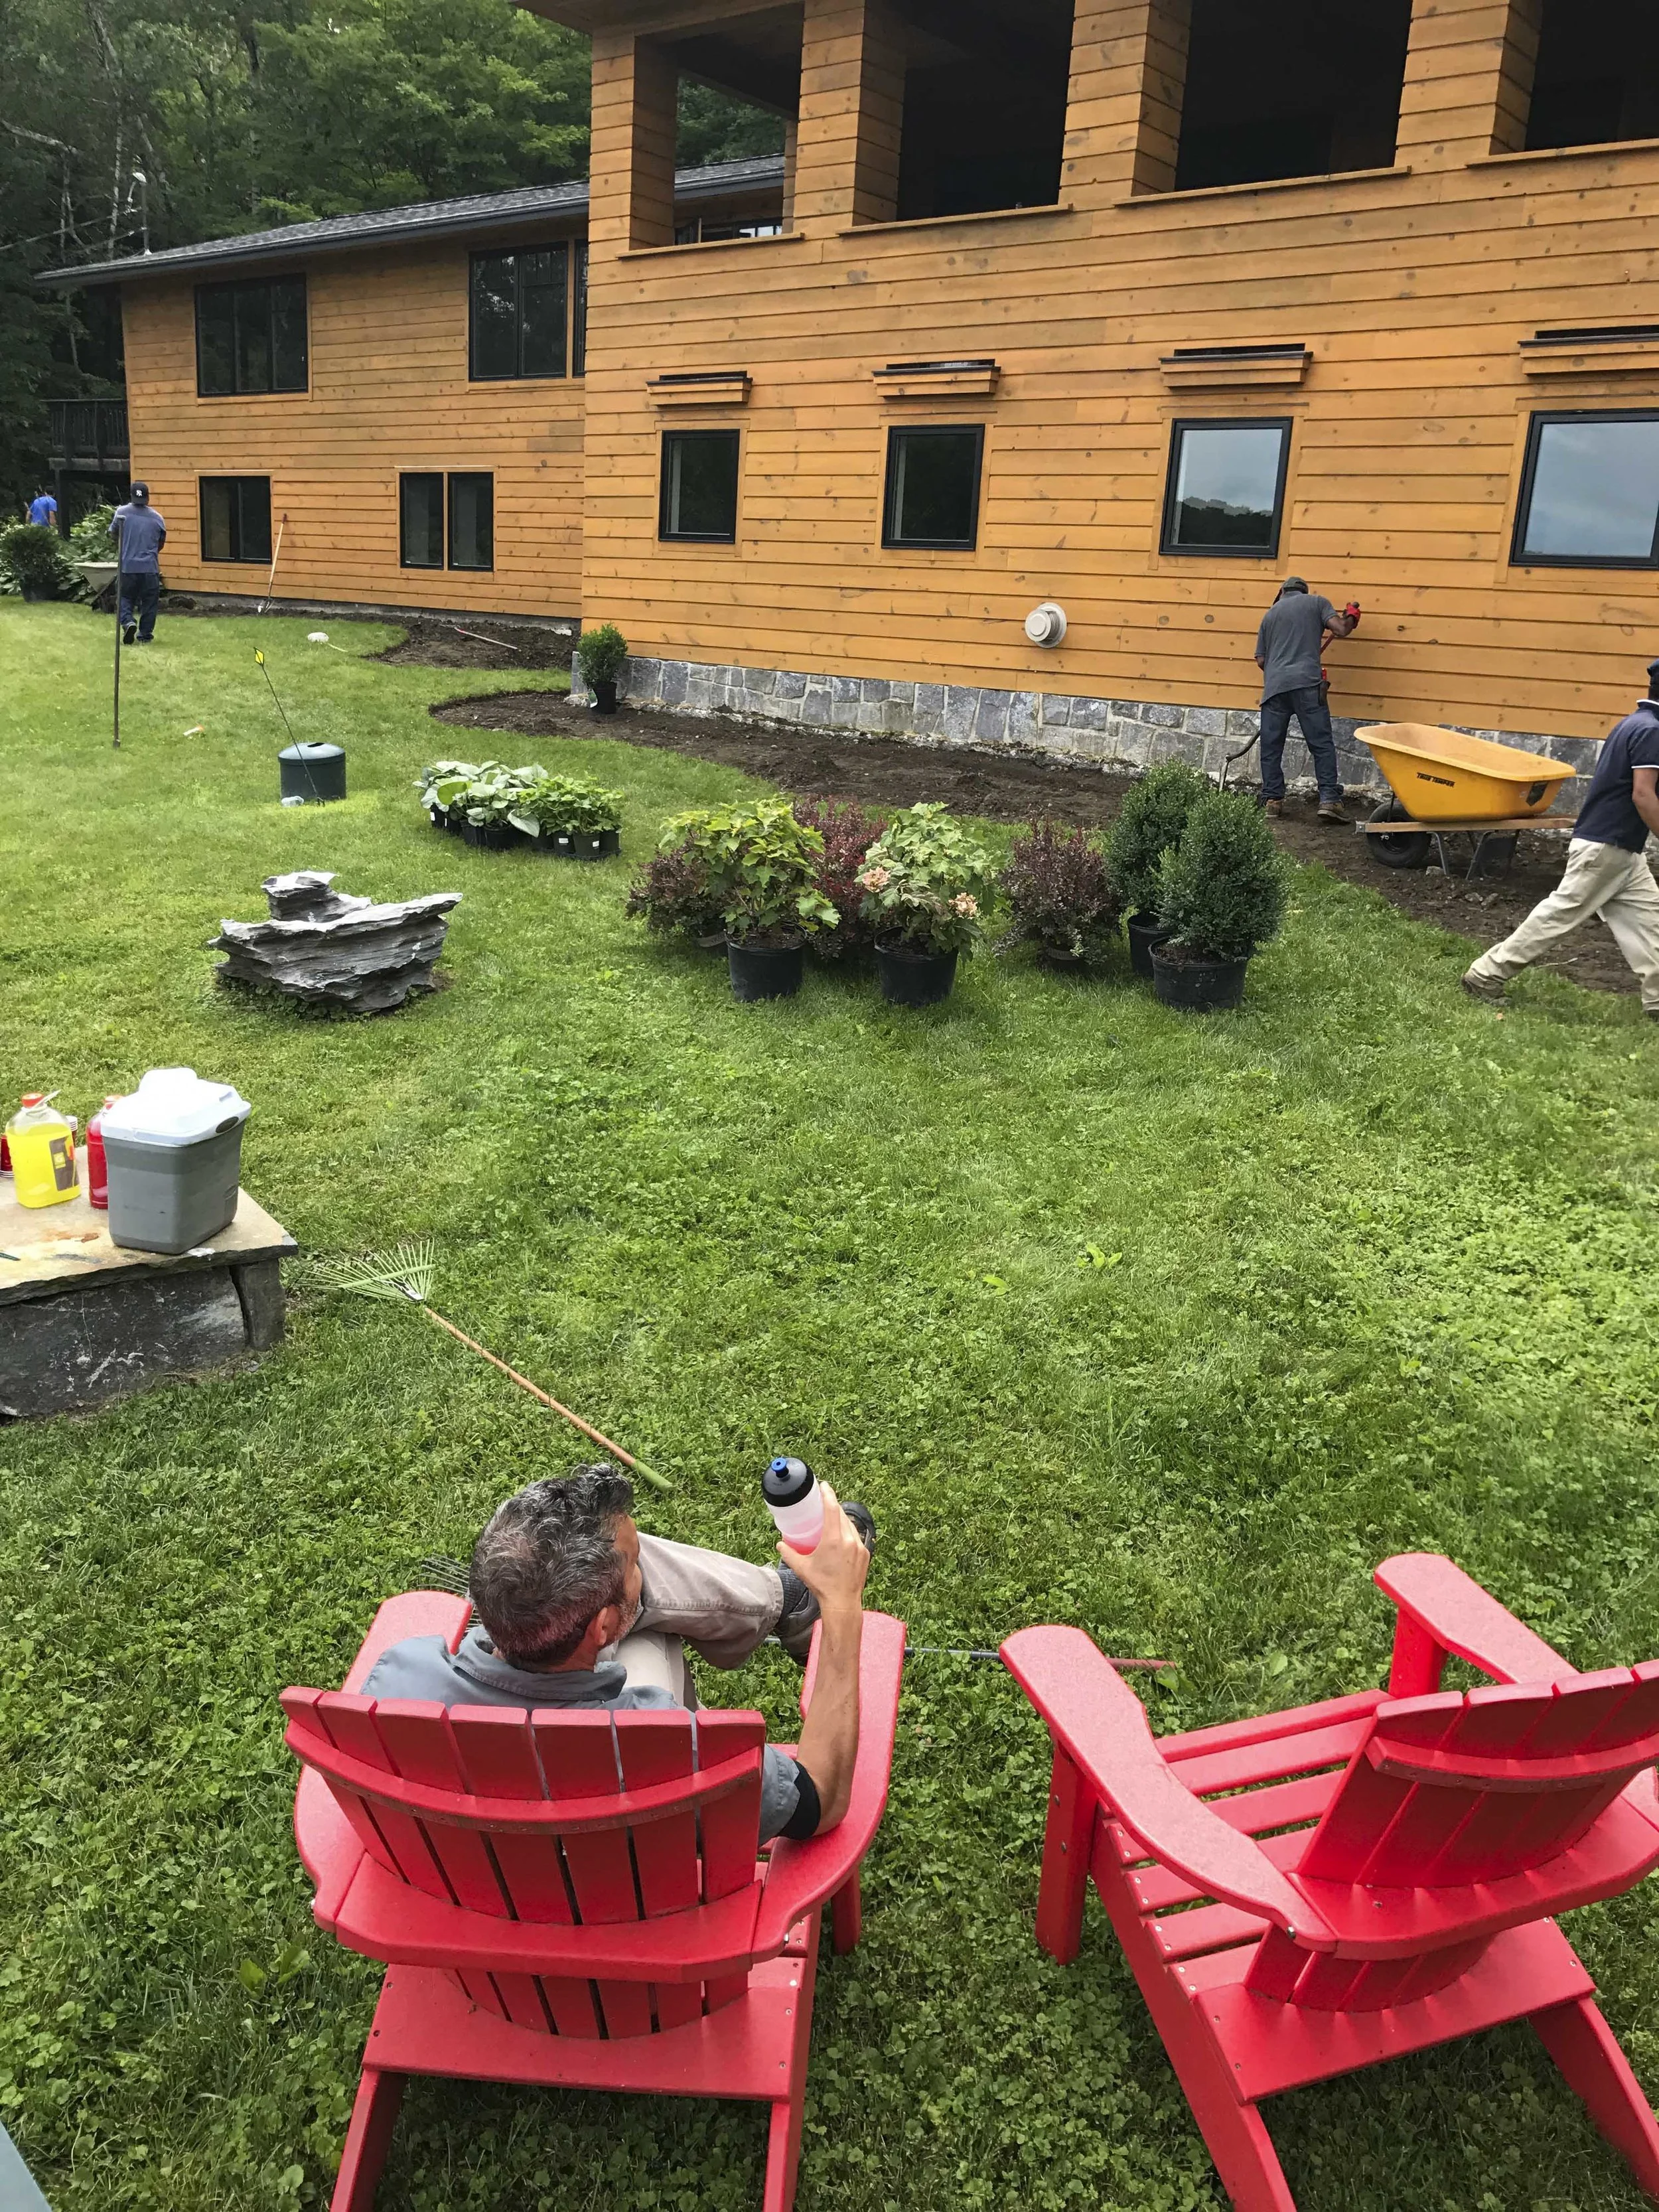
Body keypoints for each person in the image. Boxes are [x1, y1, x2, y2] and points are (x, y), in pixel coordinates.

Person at [363, 1464, 878, 1841]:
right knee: (655, 1620)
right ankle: (799, 1602)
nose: (642, 1565)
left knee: (645, 1619)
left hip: (492, 1918)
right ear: (605, 1626)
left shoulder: (396, 1686)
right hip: (639, 1940)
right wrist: (844, 1606)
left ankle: (785, 1598)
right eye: (637, 1562)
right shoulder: (664, 1743)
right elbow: (820, 1801)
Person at [1463, 661, 1659, 1016]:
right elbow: (1643, 795)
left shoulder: (1635, 724)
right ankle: (1487, 973)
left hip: (1623, 850)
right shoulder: (1651, 731)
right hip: (1606, 846)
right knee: (1558, 916)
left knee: (1650, 920)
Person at [1254, 576, 1361, 824]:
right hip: (1307, 685)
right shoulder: (1317, 603)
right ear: (1304, 591)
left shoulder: (1269, 616)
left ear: (1282, 592)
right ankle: (1329, 800)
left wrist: (1281, 671)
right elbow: (1341, 629)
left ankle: (1273, 801)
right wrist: (1352, 616)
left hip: (1274, 689)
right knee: (1321, 744)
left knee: (1271, 747)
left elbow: (1261, 660)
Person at [110, 480, 166, 645]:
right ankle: (145, 635)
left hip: (128, 566)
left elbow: (113, 534)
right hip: (150, 568)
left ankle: (128, 622)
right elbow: (160, 543)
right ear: (148, 498)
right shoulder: (158, 518)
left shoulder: (121, 513)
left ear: (132, 496)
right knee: (149, 602)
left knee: (125, 597)